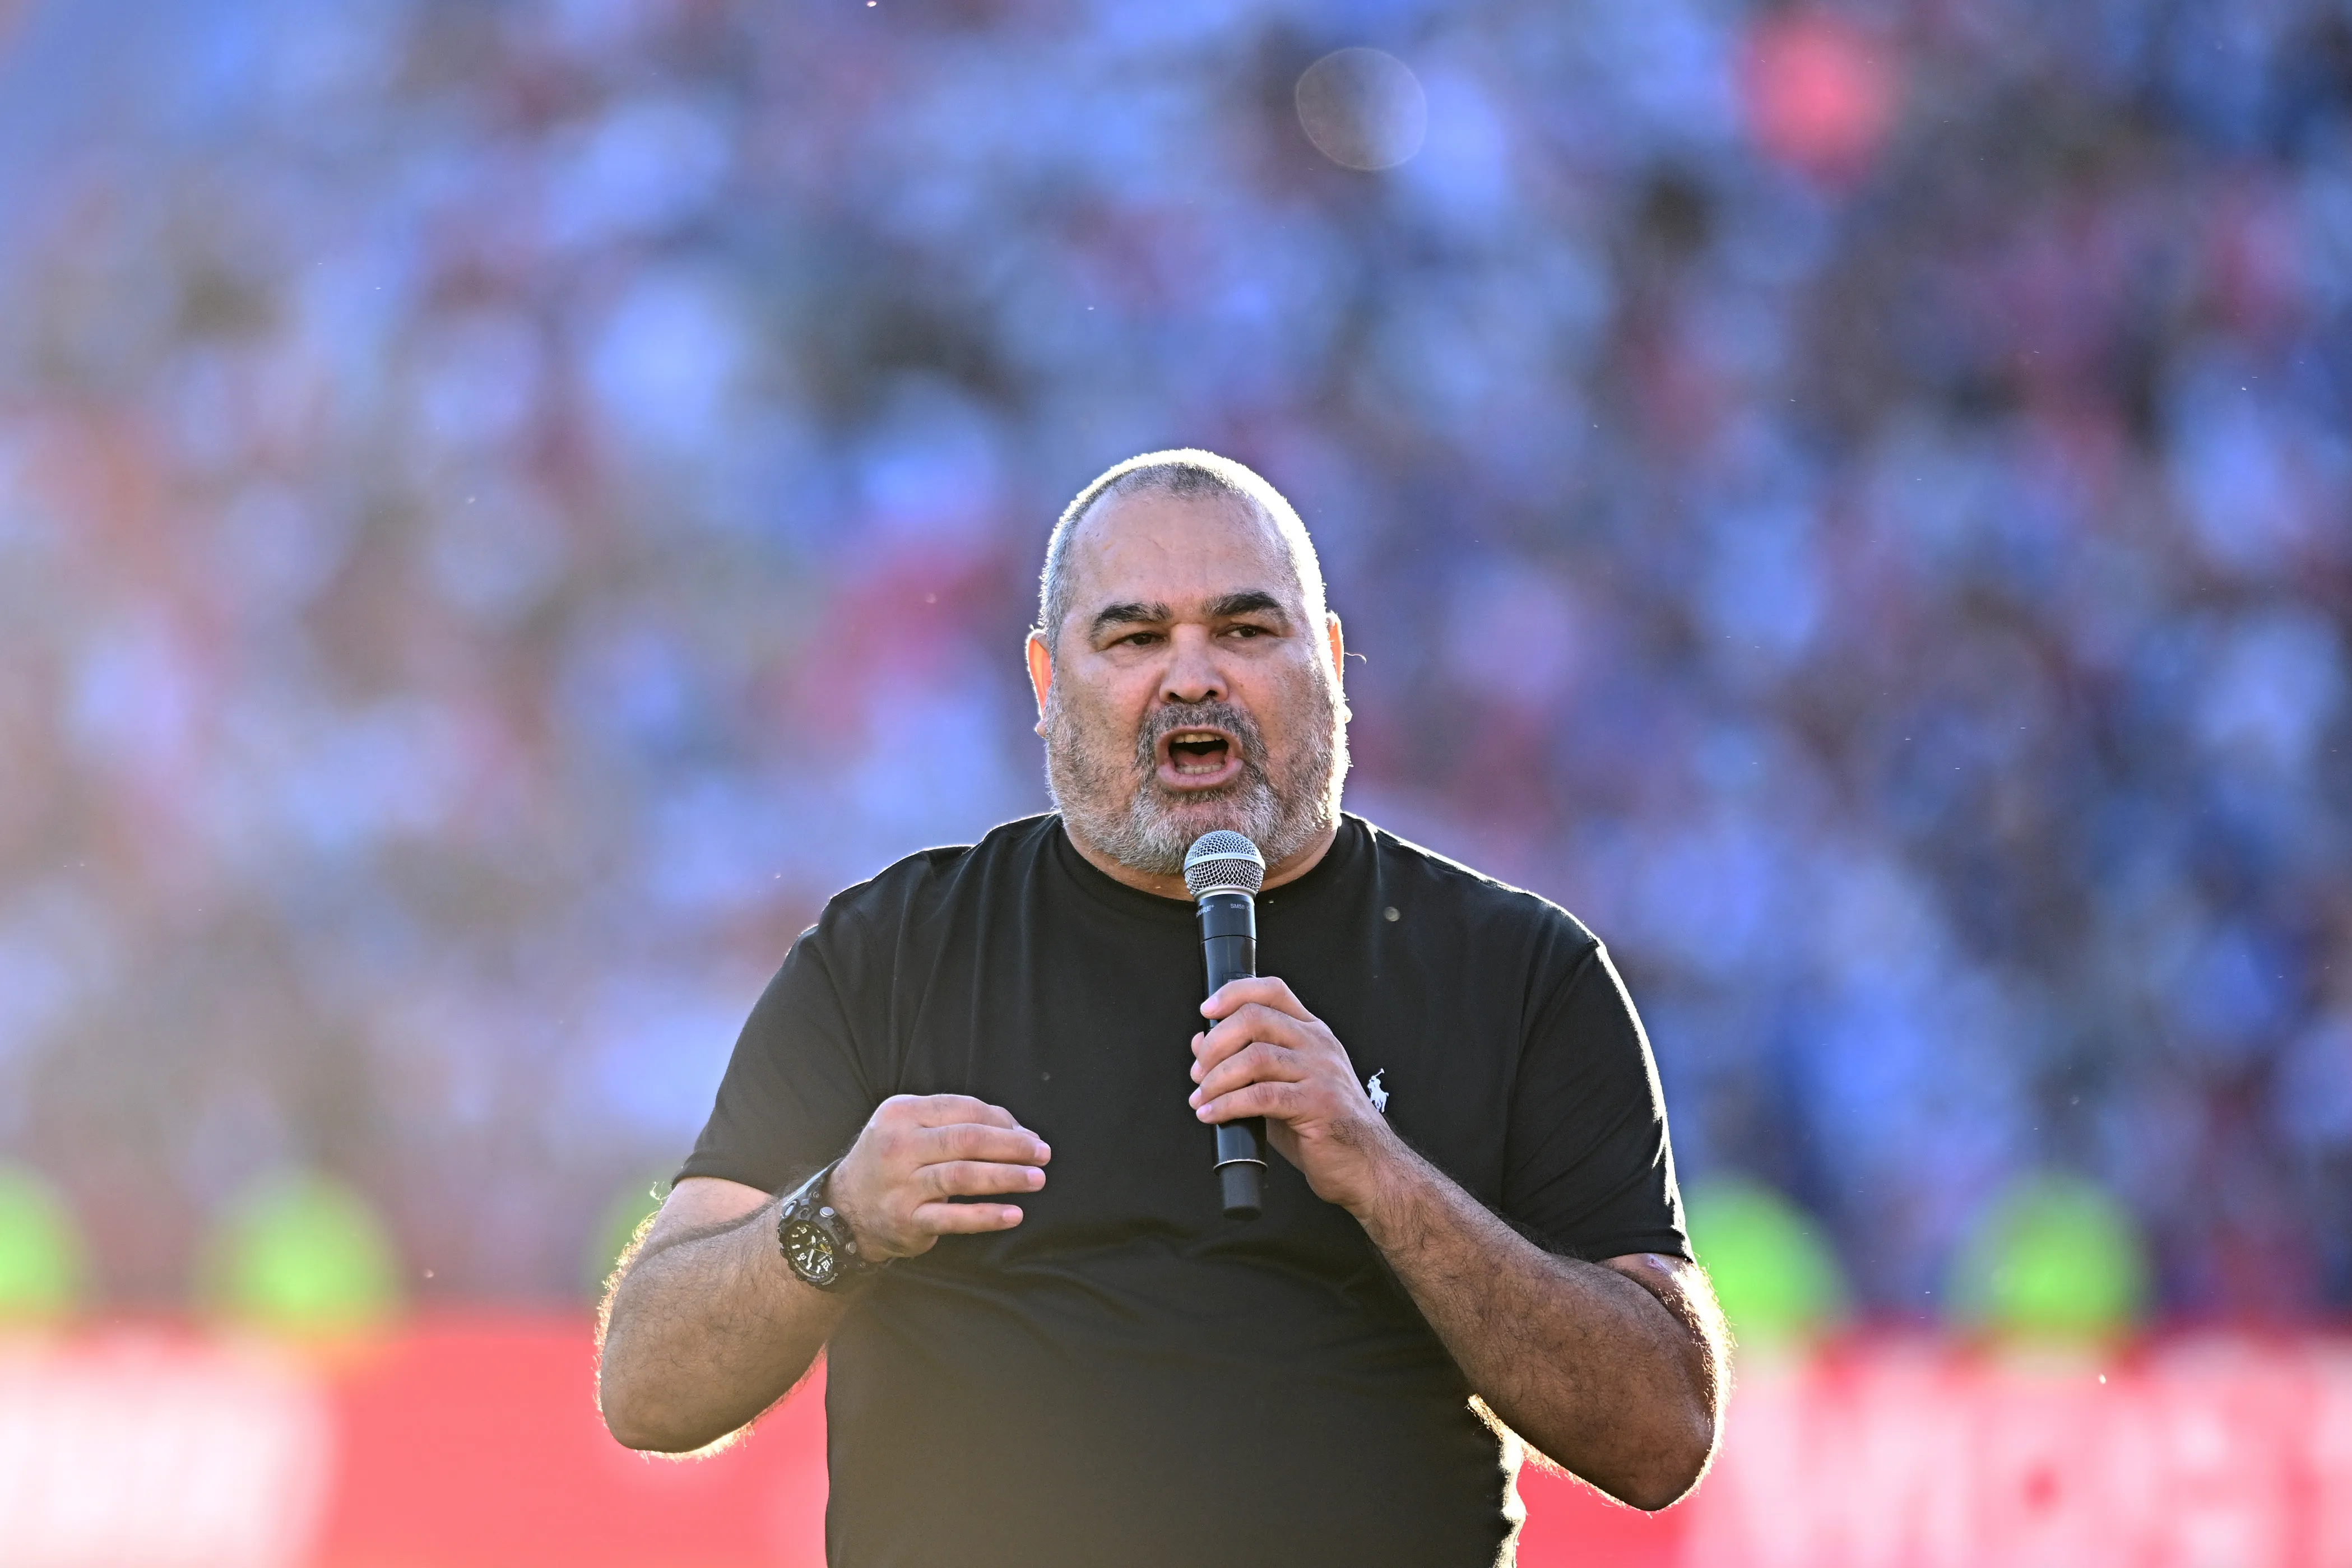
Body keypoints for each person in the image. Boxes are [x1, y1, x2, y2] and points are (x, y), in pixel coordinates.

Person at [596, 451, 1727, 1567]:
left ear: (1329, 662)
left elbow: (1659, 1434)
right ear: (1046, 686)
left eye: (1244, 630)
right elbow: (649, 1386)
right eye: (1134, 637)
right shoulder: (888, 953)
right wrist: (841, 1214)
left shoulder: (1517, 969)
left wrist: (1380, 1171)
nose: (1193, 678)